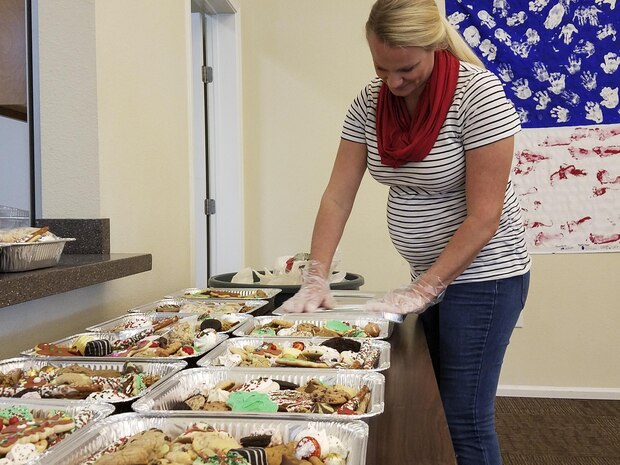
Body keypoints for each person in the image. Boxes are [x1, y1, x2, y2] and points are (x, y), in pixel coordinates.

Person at [281, 0, 532, 464]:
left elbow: (484, 216)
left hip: (486, 277)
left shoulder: (480, 96)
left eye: (407, 69)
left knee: (464, 418)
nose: (393, 82)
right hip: (428, 277)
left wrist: (425, 288)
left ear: (435, 47)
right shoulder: (369, 102)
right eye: (382, 68)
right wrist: (316, 276)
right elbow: (337, 196)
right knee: (427, 405)